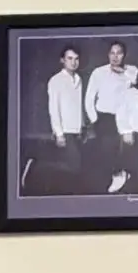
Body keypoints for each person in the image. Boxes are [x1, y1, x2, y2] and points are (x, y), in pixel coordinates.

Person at [85, 40, 138, 195]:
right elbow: (89, 98)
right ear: (108, 55)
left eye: (119, 53)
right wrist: (94, 120)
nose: (115, 57)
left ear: (124, 55)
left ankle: (123, 176)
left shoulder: (132, 71)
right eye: (112, 53)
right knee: (107, 150)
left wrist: (124, 72)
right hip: (105, 118)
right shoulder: (98, 72)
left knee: (127, 148)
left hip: (126, 118)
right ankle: (115, 176)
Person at [47, 46, 86, 182]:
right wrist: (59, 134)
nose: (73, 62)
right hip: (65, 130)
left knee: (77, 167)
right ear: (62, 60)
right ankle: (38, 166)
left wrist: (82, 127)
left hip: (78, 130)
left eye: (76, 59)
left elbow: (78, 105)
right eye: (69, 58)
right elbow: (54, 108)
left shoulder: (79, 79)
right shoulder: (56, 80)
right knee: (75, 167)